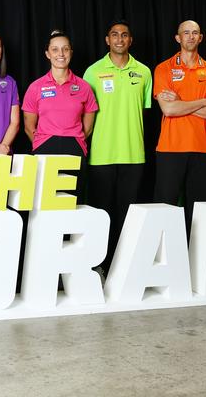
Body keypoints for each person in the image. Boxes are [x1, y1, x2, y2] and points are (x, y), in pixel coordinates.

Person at [84, 20, 152, 272]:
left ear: (130, 40)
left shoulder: (144, 71)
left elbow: (145, 112)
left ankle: (123, 265)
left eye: (124, 35)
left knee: (128, 215)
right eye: (114, 35)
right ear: (107, 40)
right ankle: (99, 263)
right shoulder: (92, 71)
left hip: (134, 154)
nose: (120, 39)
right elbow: (86, 113)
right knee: (102, 214)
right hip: (101, 154)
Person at [153, 20, 206, 232]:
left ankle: (196, 260)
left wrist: (180, 102)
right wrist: (203, 101)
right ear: (178, 38)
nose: (191, 36)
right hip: (170, 148)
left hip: (203, 149)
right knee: (164, 208)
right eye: (186, 33)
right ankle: (162, 259)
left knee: (199, 212)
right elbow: (169, 110)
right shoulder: (164, 68)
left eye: (195, 33)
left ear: (200, 38)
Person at [22, 30, 98, 198]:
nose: (61, 54)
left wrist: (74, 142)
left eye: (65, 49)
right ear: (47, 54)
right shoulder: (36, 87)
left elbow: (89, 127)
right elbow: (28, 126)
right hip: (44, 148)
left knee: (72, 204)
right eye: (55, 49)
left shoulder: (84, 87)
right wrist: (45, 144)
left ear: (71, 52)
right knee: (43, 203)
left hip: (75, 149)